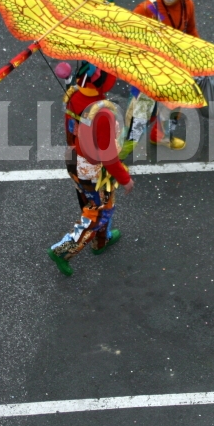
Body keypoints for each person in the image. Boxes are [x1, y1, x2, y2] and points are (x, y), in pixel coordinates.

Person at [48, 64, 135, 276]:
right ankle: (62, 250)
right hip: (93, 170)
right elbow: (108, 156)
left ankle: (101, 241)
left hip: (73, 159)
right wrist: (125, 179)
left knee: (96, 202)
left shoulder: (73, 93)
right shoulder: (102, 112)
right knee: (98, 213)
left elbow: (72, 128)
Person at [123, 0, 201, 151]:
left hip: (175, 67)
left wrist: (198, 56)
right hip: (149, 70)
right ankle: (125, 147)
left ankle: (160, 136)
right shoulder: (147, 8)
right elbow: (127, 33)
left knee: (174, 107)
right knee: (140, 113)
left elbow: (191, 32)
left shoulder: (188, 5)